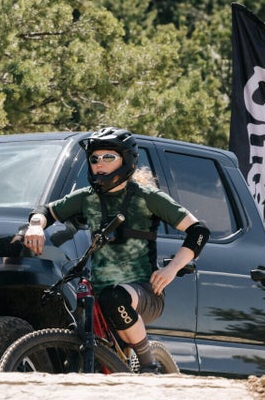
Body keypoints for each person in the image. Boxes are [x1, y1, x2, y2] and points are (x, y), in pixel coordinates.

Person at [22, 127, 210, 374]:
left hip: (143, 292)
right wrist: (36, 226)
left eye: (108, 157)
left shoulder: (146, 197)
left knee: (115, 297)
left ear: (126, 160)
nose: (99, 164)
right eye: (94, 159)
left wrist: (172, 269)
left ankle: (148, 364)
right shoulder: (86, 197)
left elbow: (199, 231)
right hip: (100, 290)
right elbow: (45, 211)